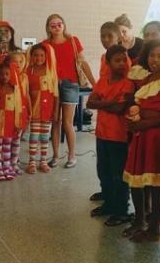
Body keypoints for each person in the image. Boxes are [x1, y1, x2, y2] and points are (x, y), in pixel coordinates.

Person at [123, 39, 160, 242]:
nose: (155, 60)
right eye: (152, 55)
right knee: (137, 180)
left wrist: (145, 124)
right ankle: (140, 219)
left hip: (158, 137)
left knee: (157, 182)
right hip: (141, 136)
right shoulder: (146, 80)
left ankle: (155, 226)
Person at [87, 45, 134, 226]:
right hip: (102, 134)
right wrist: (109, 103)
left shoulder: (128, 83)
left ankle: (121, 210)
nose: (122, 64)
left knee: (118, 174)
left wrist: (102, 102)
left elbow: (120, 108)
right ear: (108, 63)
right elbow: (90, 102)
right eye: (117, 60)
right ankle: (108, 203)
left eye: (124, 60)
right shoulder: (103, 80)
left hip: (119, 136)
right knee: (103, 171)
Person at [43, 14, 96, 169]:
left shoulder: (73, 41)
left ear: (64, 25)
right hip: (52, 86)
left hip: (70, 84)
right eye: (53, 25)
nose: (57, 27)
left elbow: (83, 62)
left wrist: (94, 83)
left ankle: (72, 156)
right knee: (55, 121)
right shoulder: (45, 45)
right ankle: (55, 156)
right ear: (48, 28)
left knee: (67, 121)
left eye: (59, 24)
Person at [0, 59, 25, 180]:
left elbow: (19, 107)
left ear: (11, 74)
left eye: (7, 74)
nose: (4, 76)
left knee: (8, 146)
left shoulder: (15, 89)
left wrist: (19, 122)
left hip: (10, 123)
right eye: (2, 74)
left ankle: (7, 167)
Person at [25, 43, 58, 174]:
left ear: (46, 56)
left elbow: (56, 94)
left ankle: (43, 161)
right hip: (34, 110)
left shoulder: (51, 72)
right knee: (34, 136)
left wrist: (55, 111)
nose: (39, 58)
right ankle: (32, 162)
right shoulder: (28, 72)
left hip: (48, 110)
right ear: (31, 56)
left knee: (45, 137)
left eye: (41, 55)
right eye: (36, 55)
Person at [8, 50, 30, 175]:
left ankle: (14, 162)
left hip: (21, 112)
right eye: (14, 61)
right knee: (8, 139)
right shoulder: (7, 76)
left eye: (20, 61)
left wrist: (29, 110)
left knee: (17, 139)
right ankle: (6, 163)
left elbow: (26, 95)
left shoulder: (25, 77)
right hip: (9, 113)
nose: (18, 64)